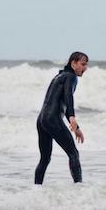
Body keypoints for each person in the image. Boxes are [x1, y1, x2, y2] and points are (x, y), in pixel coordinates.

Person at [35, 51, 88, 184]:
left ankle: (36, 189)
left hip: (42, 120)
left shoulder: (59, 76)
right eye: (82, 64)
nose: (85, 68)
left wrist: (76, 127)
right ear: (73, 63)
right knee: (73, 153)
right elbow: (68, 95)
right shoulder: (71, 77)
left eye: (86, 65)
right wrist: (72, 117)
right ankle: (79, 186)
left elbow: (60, 103)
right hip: (52, 119)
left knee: (45, 159)